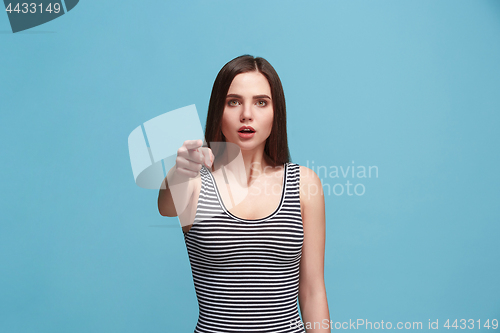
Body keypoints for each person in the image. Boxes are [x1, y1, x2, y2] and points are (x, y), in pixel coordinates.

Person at [158, 55, 330, 332]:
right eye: (233, 101)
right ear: (218, 110)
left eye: (261, 102)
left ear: (277, 112)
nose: (246, 114)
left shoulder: (304, 184)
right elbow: (166, 206)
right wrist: (179, 170)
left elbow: (312, 291)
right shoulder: (194, 182)